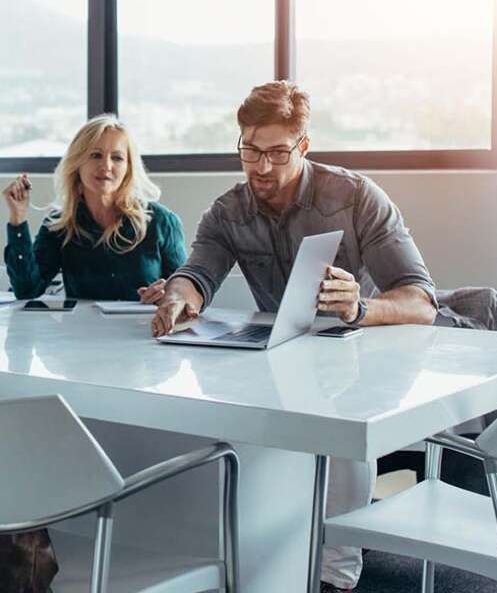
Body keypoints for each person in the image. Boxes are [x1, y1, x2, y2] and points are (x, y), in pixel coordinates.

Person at [151, 81, 438, 592]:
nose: (262, 167)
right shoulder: (227, 212)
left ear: (303, 146)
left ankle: (337, 576)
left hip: (366, 358)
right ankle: (257, 552)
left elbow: (421, 300)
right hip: (286, 361)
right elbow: (198, 273)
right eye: (250, 151)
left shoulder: (354, 197)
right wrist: (180, 296)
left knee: (338, 414)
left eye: (277, 153)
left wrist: (360, 306)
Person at [2, 115, 187, 302]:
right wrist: (18, 218)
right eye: (95, 155)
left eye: (117, 158)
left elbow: (184, 293)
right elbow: (27, 290)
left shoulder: (162, 222)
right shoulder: (60, 225)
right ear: (77, 163)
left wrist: (169, 293)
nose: (106, 166)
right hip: (81, 331)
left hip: (144, 330)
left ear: (128, 168)